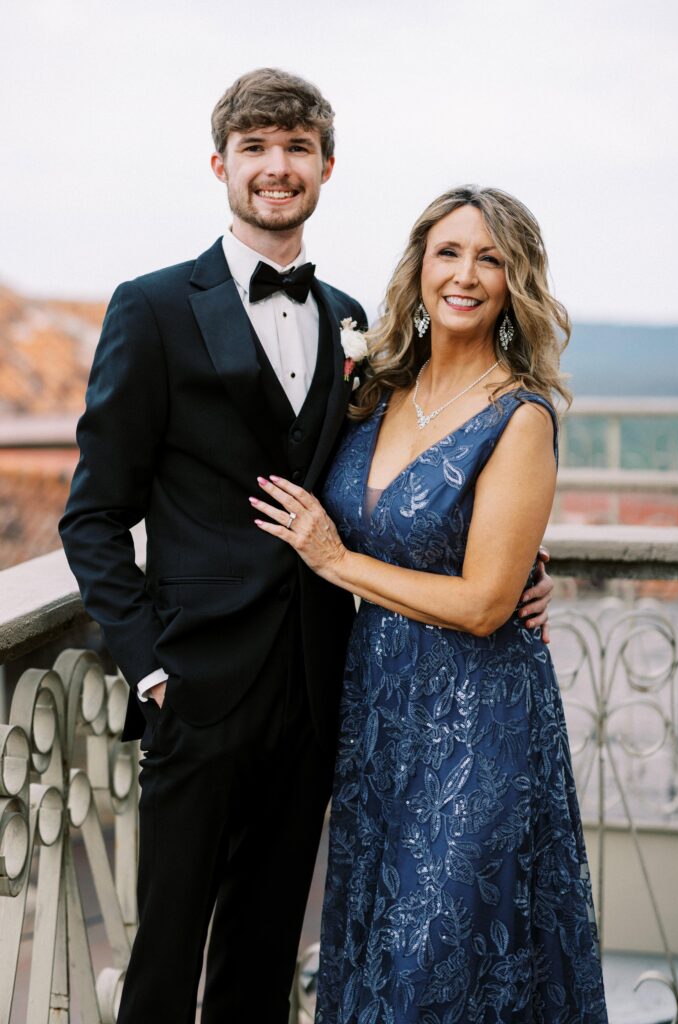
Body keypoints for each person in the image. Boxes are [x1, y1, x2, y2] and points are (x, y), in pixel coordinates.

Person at [59, 66, 554, 1023]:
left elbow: (420, 476)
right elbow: (93, 514)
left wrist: (529, 564)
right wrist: (150, 669)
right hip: (197, 690)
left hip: (326, 693)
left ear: (327, 165)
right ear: (220, 165)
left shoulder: (351, 327)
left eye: (296, 149)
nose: (276, 168)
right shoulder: (152, 307)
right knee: (164, 961)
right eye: (255, 149)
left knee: (264, 955)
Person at [252, 186, 608, 1022]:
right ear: (418, 268)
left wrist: (336, 561)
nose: (466, 274)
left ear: (513, 282)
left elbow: (487, 604)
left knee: (437, 963)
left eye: (490, 258)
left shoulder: (517, 416)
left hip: (481, 727)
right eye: (449, 252)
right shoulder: (374, 391)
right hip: (379, 725)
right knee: (377, 952)